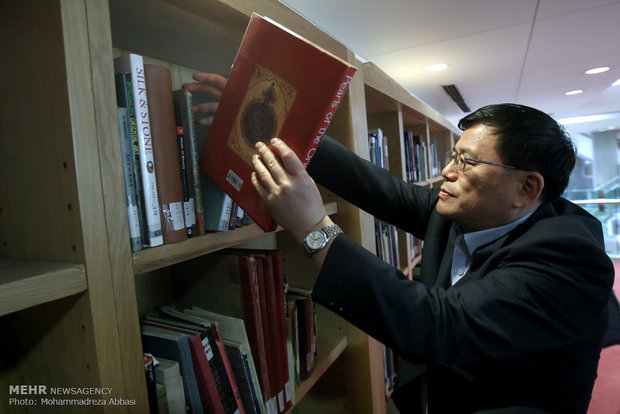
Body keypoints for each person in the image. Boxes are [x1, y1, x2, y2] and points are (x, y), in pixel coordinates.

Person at [184, 73, 614, 414]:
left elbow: (438, 325)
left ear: (527, 188)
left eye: (466, 162)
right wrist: (283, 128)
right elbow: (381, 189)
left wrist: (314, 228)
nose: (448, 171)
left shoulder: (568, 257)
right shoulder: (468, 209)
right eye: (452, 155)